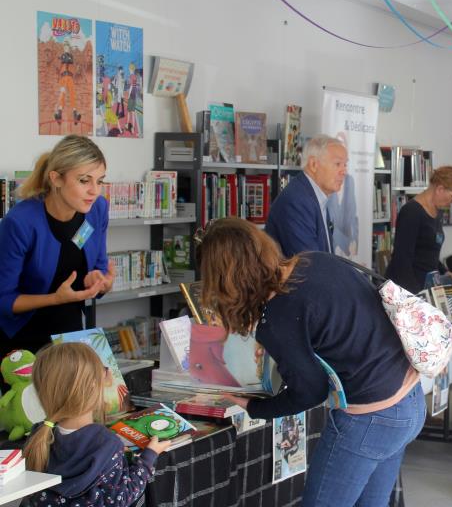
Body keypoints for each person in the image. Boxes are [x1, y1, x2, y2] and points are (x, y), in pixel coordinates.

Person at [197, 218, 425, 507]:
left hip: (371, 418)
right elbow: (341, 328)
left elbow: (309, 391)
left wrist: (255, 407)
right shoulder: (313, 260)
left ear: (226, 279)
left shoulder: (278, 318)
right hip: (411, 398)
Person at [0, 136, 114, 359]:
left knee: (100, 393)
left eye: (100, 181)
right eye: (84, 181)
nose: (94, 191)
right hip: (22, 343)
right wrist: (55, 298)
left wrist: (100, 282)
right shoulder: (20, 222)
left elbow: (97, 267)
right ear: (56, 179)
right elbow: (3, 300)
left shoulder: (97, 209)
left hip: (71, 336)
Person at [23, 342, 170, 506]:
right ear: (93, 384)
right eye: (104, 370)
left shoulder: (38, 435)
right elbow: (121, 498)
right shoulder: (107, 443)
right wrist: (149, 457)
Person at [387, 166, 452, 293]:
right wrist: (416, 297)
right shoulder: (412, 212)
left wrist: (445, 272)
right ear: (440, 189)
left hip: (427, 285)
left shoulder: (437, 211)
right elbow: (402, 260)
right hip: (408, 288)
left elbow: (428, 253)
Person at [265, 135, 347, 257]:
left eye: (345, 165)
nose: (344, 171)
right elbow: (310, 263)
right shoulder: (297, 202)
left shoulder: (315, 196)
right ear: (313, 164)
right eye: (338, 164)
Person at [327, 132, 359, 257]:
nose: (343, 169)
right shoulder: (327, 182)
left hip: (348, 250)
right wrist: (346, 244)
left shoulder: (349, 180)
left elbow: (354, 217)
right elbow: (329, 223)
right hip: (332, 247)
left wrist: (354, 241)